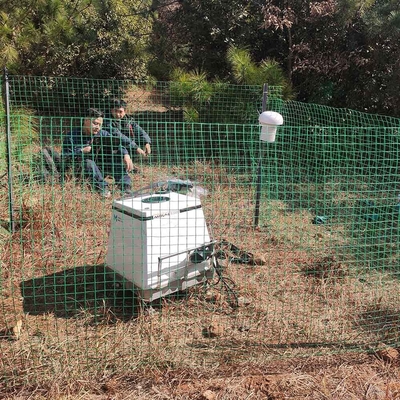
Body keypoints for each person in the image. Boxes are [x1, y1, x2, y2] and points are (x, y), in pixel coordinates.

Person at [62, 108, 134, 197]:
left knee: (116, 158)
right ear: (86, 120)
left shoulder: (102, 133)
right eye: (95, 123)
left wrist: (126, 155)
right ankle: (102, 189)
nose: (98, 127)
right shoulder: (72, 136)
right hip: (80, 171)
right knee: (88, 162)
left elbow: (117, 145)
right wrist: (81, 151)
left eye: (100, 125)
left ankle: (125, 187)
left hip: (100, 167)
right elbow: (65, 157)